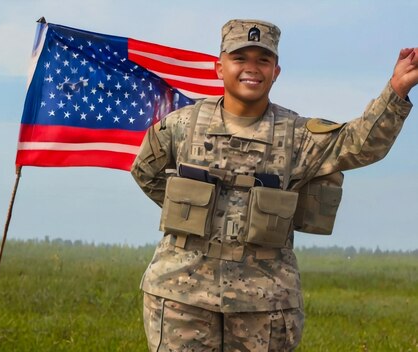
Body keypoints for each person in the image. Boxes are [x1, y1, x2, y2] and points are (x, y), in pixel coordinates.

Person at [131, 19, 417, 351]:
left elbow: (358, 144)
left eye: (262, 60)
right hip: (181, 294)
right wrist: (190, 214)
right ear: (219, 67)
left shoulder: (297, 135)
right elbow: (145, 172)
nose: (251, 68)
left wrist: (396, 90)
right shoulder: (181, 125)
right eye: (240, 58)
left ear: (276, 71)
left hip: (264, 301)